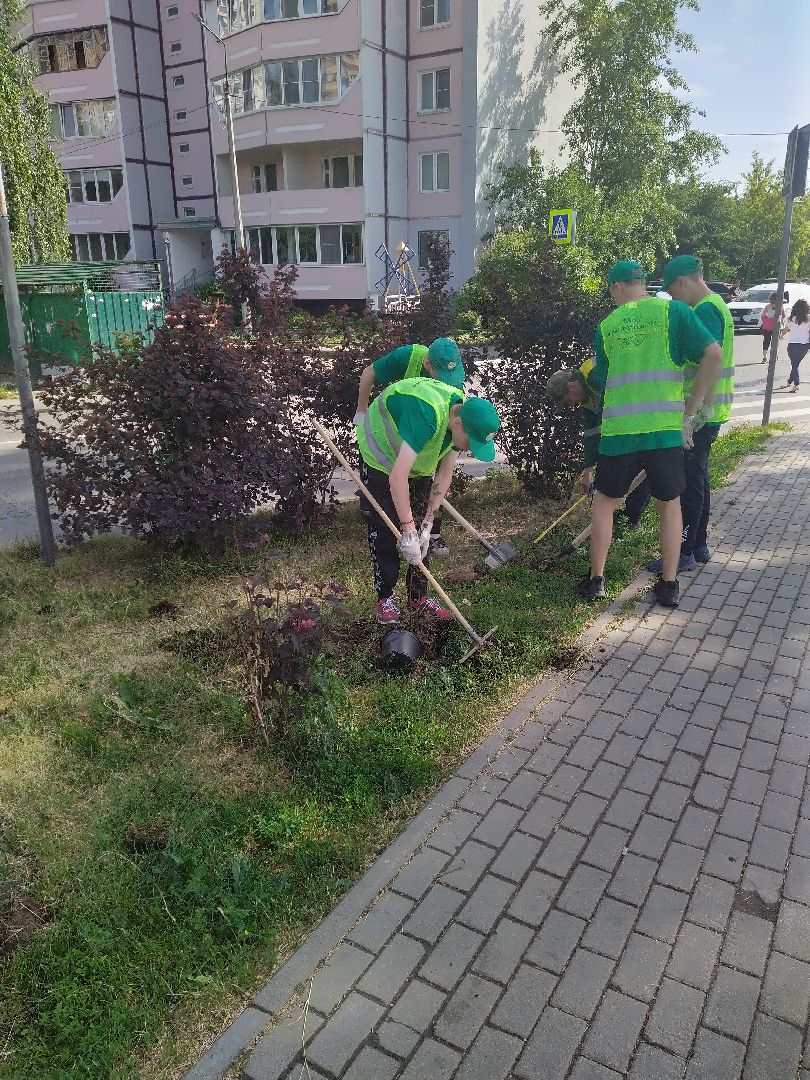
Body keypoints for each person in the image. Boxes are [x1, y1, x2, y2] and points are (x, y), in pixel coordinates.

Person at [578, 260, 723, 608]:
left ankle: (596, 580)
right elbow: (713, 353)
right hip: (663, 432)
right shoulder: (674, 313)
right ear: (642, 283)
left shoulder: (607, 325)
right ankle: (669, 585)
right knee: (669, 505)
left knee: (604, 504)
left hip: (620, 433)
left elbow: (604, 379)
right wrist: (693, 408)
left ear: (616, 287)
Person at [356, 376, 501, 624]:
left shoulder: (464, 417)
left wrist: (426, 524)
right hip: (381, 455)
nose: (469, 449)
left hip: (414, 462)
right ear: (457, 423)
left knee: (424, 537)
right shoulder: (427, 415)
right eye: (470, 442)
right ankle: (385, 598)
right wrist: (409, 529)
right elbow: (397, 477)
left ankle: (418, 598)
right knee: (386, 529)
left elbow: (445, 473)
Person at [636, 254, 734, 571]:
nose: (674, 298)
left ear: (683, 282)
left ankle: (684, 552)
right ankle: (700, 544)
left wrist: (691, 412)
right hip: (712, 409)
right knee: (699, 478)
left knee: (690, 482)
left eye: (672, 290)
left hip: (703, 413)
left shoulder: (705, 310)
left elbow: (710, 359)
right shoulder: (716, 304)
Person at [354, 338, 465, 557]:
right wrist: (361, 410)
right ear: (427, 364)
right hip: (394, 434)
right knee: (389, 489)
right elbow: (369, 373)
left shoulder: (454, 381)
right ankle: (385, 521)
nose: (447, 382)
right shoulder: (408, 357)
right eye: (440, 374)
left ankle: (430, 533)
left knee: (431, 484)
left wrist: (426, 524)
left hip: (427, 440)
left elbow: (445, 471)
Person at [545, 360, 602, 495]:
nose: (571, 405)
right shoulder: (586, 399)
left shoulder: (594, 376)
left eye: (567, 400)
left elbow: (610, 425)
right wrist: (588, 472)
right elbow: (591, 435)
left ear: (571, 385)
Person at [780, 298, 810, 393]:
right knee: (795, 364)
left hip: (793, 344)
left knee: (794, 364)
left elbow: (786, 329)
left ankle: (796, 384)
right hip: (805, 345)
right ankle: (789, 382)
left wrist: (781, 336)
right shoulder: (808, 318)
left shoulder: (791, 318)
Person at [760, 292, 782, 364]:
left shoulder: (767, 306)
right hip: (776, 327)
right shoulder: (780, 306)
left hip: (767, 327)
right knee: (775, 342)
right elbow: (783, 316)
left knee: (766, 341)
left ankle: (764, 357)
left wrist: (767, 320)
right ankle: (774, 356)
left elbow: (762, 316)